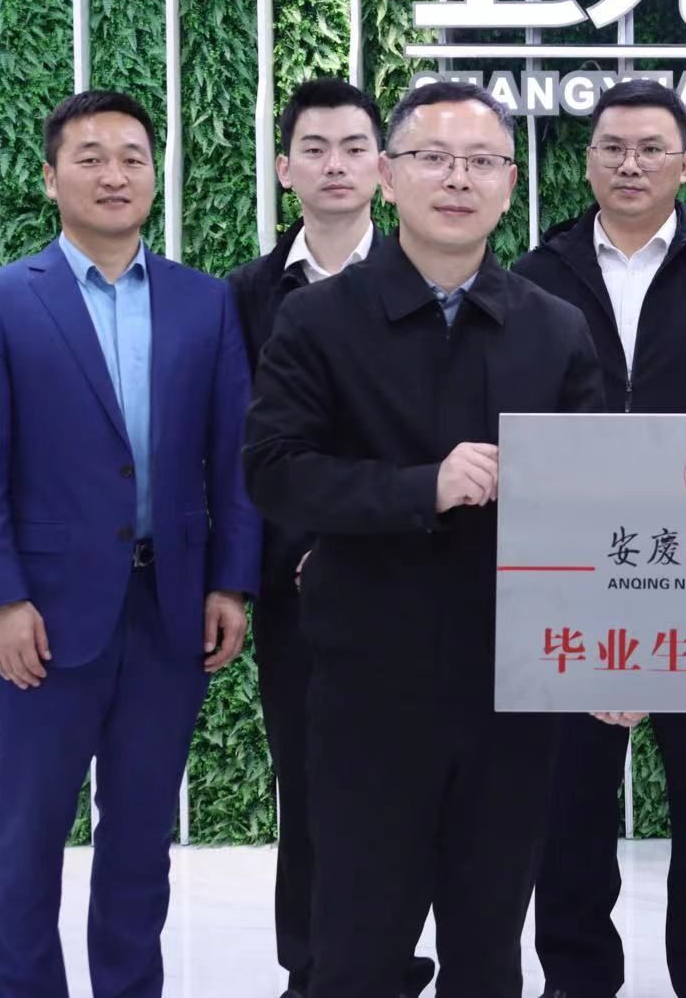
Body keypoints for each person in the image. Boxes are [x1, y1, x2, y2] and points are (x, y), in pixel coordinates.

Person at [243, 81, 603, 998]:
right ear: (389, 175)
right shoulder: (318, 319)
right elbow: (276, 471)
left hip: (512, 691)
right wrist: (422, 487)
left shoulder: (554, 329)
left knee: (488, 949)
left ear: (510, 186)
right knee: (357, 949)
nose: (458, 179)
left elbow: (597, 506)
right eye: (433, 158)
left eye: (482, 162)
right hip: (370, 684)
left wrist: (613, 656)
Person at [0, 89, 260, 998]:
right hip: (42, 618)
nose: (113, 175)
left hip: (169, 610)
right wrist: (1, 600)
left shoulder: (204, 302)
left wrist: (231, 585)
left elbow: (236, 455)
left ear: (155, 175)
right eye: (90, 158)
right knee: (29, 837)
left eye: (132, 157)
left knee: (141, 839)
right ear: (51, 178)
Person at [514, 78, 686, 998]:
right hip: (576, 575)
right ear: (588, 161)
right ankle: (576, 978)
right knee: (570, 805)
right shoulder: (536, 275)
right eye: (612, 147)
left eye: (650, 148)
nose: (630, 164)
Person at [225, 77, 436, 998]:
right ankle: (309, 966)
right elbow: (245, 449)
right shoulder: (245, 296)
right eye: (314, 149)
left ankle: (394, 959)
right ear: (285, 168)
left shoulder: (433, 280)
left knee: (417, 787)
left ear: (383, 169)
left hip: (416, 578)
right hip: (299, 591)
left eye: (355, 148)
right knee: (310, 787)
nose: (335, 165)